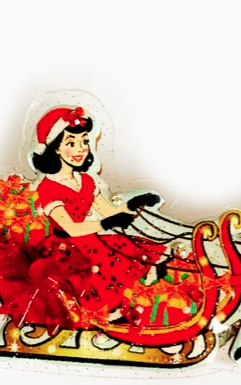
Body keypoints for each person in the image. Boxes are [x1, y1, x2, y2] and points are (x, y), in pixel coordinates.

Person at [29, 106, 167, 318]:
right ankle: (106, 313)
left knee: (131, 250)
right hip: (66, 248)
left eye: (84, 141)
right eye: (71, 143)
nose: (80, 149)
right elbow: (71, 228)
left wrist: (134, 204)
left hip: (90, 239)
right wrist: (106, 224)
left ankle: (139, 304)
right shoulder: (48, 187)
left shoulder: (86, 180)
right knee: (100, 268)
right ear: (55, 148)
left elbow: (107, 211)